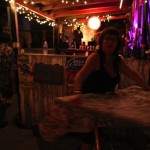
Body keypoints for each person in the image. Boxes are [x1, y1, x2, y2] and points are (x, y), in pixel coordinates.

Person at [74, 27, 150, 150]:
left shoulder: (117, 60)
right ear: (102, 41)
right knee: (89, 137)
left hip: (105, 102)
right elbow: (79, 76)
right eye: (107, 39)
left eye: (113, 40)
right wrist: (77, 95)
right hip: (89, 102)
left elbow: (133, 75)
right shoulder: (95, 57)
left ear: (117, 43)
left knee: (102, 133)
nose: (110, 42)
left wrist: (147, 87)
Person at [0, 23, 15, 128]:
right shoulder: (9, 50)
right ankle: (1, 120)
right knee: (5, 99)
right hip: (4, 76)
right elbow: (11, 66)